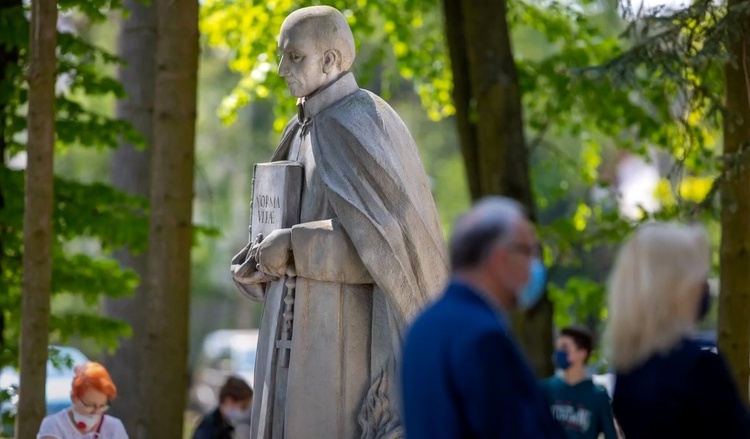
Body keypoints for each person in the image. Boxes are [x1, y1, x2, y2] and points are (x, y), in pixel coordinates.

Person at [229, 5, 448, 439]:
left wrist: (294, 245)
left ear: (331, 60)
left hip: (341, 340)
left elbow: (387, 247)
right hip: (286, 340)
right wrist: (258, 257)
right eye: (281, 55)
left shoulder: (360, 120)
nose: (280, 69)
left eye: (294, 57)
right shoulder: (299, 129)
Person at [400, 196, 564, 439]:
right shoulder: (483, 337)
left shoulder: (421, 327)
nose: (536, 265)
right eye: (529, 251)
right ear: (500, 259)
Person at [605, 222, 750, 438]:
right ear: (678, 286)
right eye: (699, 276)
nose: (704, 286)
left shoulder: (629, 371)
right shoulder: (700, 368)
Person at [540, 326, 618, 439]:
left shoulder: (598, 396)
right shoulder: (545, 390)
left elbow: (610, 435)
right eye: (557, 348)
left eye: (564, 348)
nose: (559, 353)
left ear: (582, 353)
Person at [37, 361, 128, 439]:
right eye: (90, 405)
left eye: (102, 406)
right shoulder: (54, 425)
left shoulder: (114, 427)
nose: (96, 412)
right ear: (74, 398)